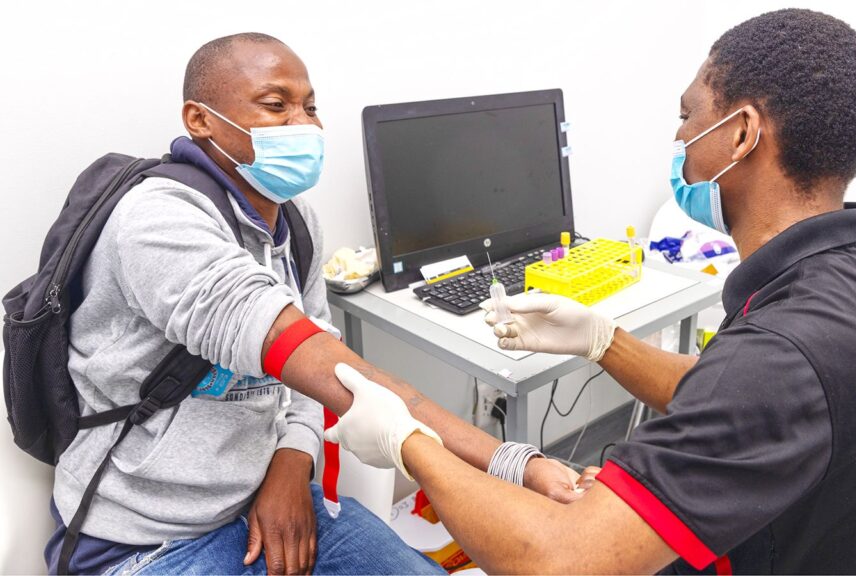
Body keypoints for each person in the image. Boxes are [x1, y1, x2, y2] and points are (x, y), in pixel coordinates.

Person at [320, 9, 856, 574]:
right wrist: (602, 341)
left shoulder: (781, 352)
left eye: (688, 115)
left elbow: (557, 562)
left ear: (742, 133)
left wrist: (410, 444)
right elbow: (736, 401)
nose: (680, 137)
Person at [46, 32, 579, 575]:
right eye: (276, 106)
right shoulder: (159, 222)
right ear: (199, 119)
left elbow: (316, 362)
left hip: (264, 499)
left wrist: (292, 460)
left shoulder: (294, 220)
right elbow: (324, 366)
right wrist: (510, 463)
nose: (304, 124)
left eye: (311, 106)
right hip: (145, 539)